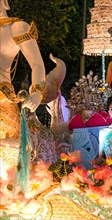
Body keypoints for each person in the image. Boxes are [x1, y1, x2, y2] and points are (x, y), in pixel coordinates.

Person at [0, 0, 46, 139]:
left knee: (8, 150)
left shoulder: (16, 28)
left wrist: (37, 92)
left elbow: (37, 65)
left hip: (3, 98)